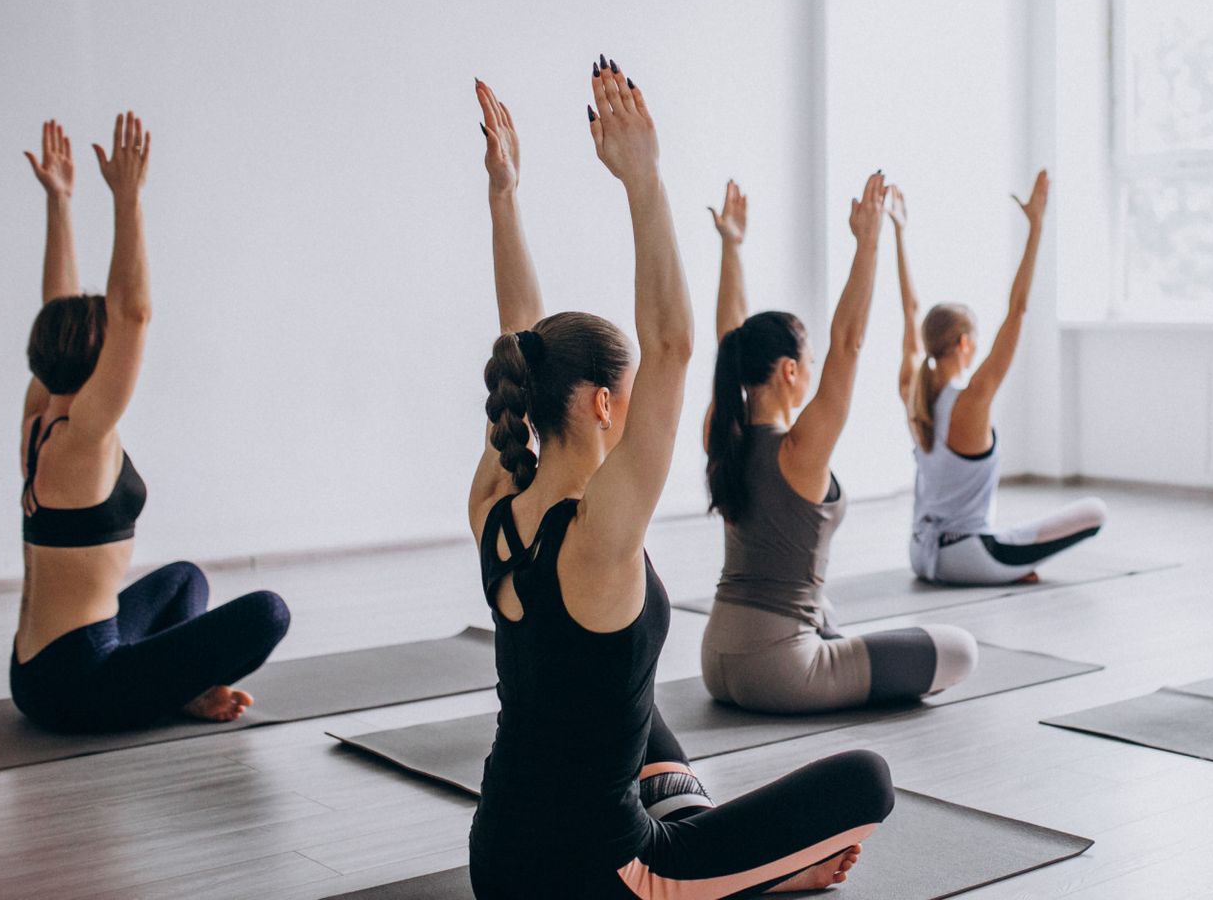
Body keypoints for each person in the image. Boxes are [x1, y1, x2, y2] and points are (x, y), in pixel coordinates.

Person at [467, 67, 894, 898]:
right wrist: (643, 178)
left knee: (634, 703)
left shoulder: (495, 500)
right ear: (600, 404)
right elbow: (669, 344)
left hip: (499, 859)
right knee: (867, 780)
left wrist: (505, 194)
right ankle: (751, 879)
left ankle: (731, 862)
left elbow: (515, 334)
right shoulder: (599, 536)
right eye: (627, 397)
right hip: (603, 878)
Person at [11, 115, 289, 733]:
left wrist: (59, 201)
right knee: (267, 612)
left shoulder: (41, 415)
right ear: (98, 358)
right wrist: (128, 200)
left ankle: (171, 687)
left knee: (182, 580)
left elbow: (57, 312)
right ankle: (172, 694)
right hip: (79, 683)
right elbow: (132, 314)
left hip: (35, 669)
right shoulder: (86, 438)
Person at [699, 177, 977, 714]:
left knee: (826, 609)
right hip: (781, 672)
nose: (811, 372)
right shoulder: (798, 450)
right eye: (805, 364)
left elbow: (728, 340)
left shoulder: (722, 433)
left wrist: (732, 247)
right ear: (788, 370)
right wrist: (866, 243)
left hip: (716, 659)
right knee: (959, 650)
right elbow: (847, 345)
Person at [894, 172, 1107, 585]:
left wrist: (899, 233)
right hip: (967, 558)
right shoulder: (972, 399)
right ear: (963, 344)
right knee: (1096, 511)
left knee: (1009, 533)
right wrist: (1036, 228)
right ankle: (1006, 565)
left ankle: (1007, 561)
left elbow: (909, 310)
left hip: (920, 553)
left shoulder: (912, 394)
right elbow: (1018, 310)